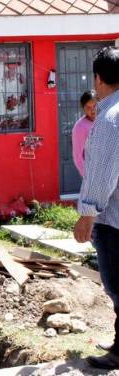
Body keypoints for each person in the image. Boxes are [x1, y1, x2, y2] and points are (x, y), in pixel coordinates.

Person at [73, 46, 119, 370]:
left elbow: (102, 173)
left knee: (118, 287)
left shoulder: (109, 119)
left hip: (114, 220)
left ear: (98, 78)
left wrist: (87, 215)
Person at [71, 90, 97, 177]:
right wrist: (87, 176)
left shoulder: (104, 121)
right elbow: (77, 157)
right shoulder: (80, 127)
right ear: (83, 108)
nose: (92, 110)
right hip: (93, 175)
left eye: (94, 106)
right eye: (88, 107)